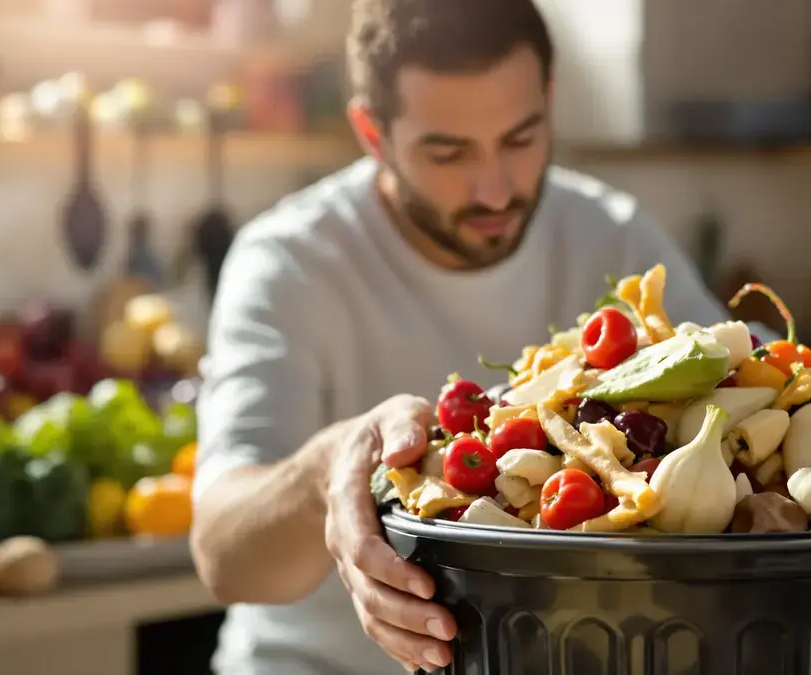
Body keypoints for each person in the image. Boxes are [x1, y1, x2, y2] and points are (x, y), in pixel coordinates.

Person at [190, 1, 759, 673]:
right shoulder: (288, 262)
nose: (495, 191)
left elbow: (744, 377)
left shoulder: (614, 234)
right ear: (373, 134)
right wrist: (331, 466)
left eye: (521, 139)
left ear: (548, 101)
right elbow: (223, 554)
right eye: (448, 152)